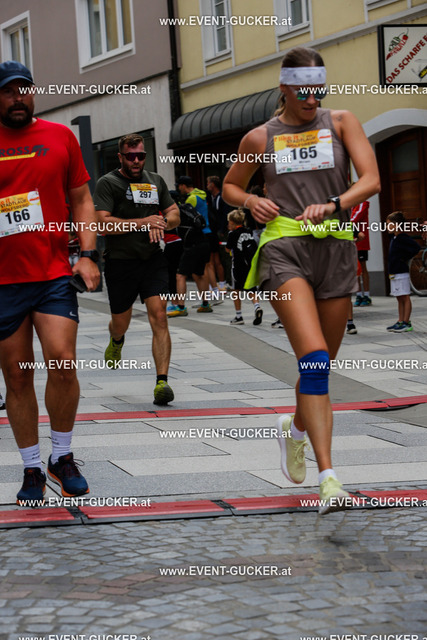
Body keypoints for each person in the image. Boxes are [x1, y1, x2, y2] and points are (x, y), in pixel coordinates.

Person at [223, 46, 380, 515]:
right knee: (312, 359)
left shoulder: (342, 122)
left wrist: (334, 204)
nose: (312, 99)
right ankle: (328, 478)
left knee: (321, 366)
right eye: (303, 91)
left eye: (318, 90)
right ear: (284, 88)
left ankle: (293, 430)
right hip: (284, 247)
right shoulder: (260, 137)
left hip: (335, 247)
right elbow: (230, 185)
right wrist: (251, 202)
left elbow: (371, 180)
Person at [0, 60, 100, 506]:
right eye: (8, 91)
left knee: (62, 360)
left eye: (24, 89)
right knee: (17, 375)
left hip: (53, 273)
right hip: (3, 280)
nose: (18, 97)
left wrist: (88, 254)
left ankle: (62, 456)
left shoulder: (60, 137)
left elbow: (81, 198)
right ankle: (31, 467)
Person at [93, 133, 180, 405]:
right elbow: (103, 224)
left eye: (140, 155)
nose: (136, 161)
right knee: (121, 323)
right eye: (130, 156)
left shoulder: (155, 181)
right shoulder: (108, 183)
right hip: (120, 262)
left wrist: (162, 223)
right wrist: (143, 222)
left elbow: (174, 214)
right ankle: (116, 340)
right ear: (120, 157)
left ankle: (162, 382)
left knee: (160, 316)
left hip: (152, 259)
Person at [175, 176, 213, 313]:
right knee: (199, 273)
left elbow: (183, 216)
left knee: (180, 275)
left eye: (179, 186)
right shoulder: (202, 195)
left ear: (183, 185)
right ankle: (205, 304)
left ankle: (180, 307)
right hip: (206, 235)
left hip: (194, 238)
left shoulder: (191, 199)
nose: (179, 189)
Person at [226, 209, 263, 325]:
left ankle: (239, 316)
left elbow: (227, 249)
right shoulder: (248, 231)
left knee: (236, 290)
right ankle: (257, 306)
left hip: (238, 265)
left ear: (232, 222)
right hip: (249, 265)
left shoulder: (232, 234)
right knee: (251, 288)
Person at [386, 211, 420, 333]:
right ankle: (400, 321)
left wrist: (404, 258)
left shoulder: (403, 237)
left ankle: (406, 322)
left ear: (396, 224)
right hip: (394, 272)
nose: (386, 226)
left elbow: (416, 247)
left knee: (404, 296)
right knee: (399, 297)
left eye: (389, 224)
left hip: (401, 272)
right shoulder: (394, 237)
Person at [351, 200, 372, 306]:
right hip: (352, 240)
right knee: (355, 269)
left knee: (363, 268)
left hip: (361, 242)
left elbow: (353, 219)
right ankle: (358, 294)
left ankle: (367, 295)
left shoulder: (362, 203)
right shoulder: (351, 205)